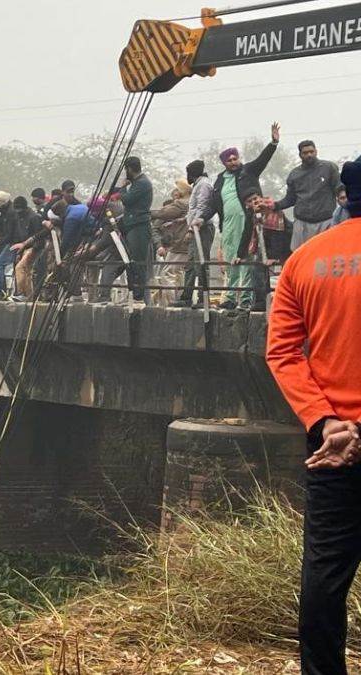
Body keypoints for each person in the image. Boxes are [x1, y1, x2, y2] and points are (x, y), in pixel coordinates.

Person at [264, 152, 361, 675]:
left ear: (344, 195)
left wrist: (324, 419)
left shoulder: (306, 259)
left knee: (325, 574)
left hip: (332, 443)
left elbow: (282, 352)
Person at [196, 123, 280, 311]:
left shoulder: (248, 171)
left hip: (248, 223)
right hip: (228, 225)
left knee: (247, 260)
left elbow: (262, 160)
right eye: (229, 160)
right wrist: (202, 217)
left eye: (235, 158)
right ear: (224, 163)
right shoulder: (220, 180)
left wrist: (273, 143)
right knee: (232, 260)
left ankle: (246, 298)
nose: (233, 162)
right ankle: (231, 296)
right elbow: (214, 204)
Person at [98, 156, 153, 303]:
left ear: (129, 169)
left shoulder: (142, 183)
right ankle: (133, 294)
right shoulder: (136, 183)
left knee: (137, 261)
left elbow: (128, 199)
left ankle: (139, 297)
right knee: (130, 261)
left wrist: (121, 189)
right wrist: (118, 189)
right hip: (130, 224)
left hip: (139, 226)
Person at [275, 139, 342, 250]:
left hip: (326, 222)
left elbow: (339, 187)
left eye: (311, 151)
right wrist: (274, 205)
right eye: (305, 153)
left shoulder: (329, 168)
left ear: (316, 151)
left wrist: (343, 195)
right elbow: (290, 199)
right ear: (300, 155)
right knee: (301, 257)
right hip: (302, 224)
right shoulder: (294, 174)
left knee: (327, 254)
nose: (309, 155)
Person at [174, 160, 217, 309]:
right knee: (191, 264)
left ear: (193, 173)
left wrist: (192, 229)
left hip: (202, 228)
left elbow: (202, 207)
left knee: (201, 264)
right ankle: (186, 297)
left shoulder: (204, 185)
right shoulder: (198, 185)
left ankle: (203, 298)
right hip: (195, 228)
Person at [149, 180, 192, 306]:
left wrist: (144, 212)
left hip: (179, 244)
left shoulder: (181, 204)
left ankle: (172, 301)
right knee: (178, 274)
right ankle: (177, 299)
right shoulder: (192, 204)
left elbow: (162, 213)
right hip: (183, 244)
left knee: (168, 273)